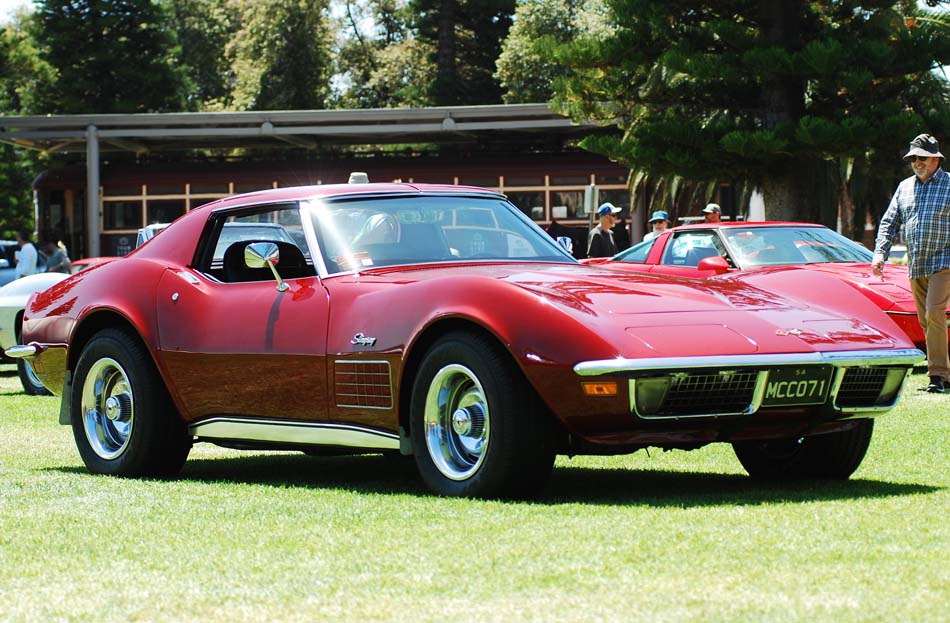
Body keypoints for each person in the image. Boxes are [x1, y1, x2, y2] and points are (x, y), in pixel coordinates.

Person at [872, 133, 950, 394]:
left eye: (922, 158)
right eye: (913, 158)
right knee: (926, 321)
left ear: (936, 160)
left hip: (944, 261)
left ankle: (936, 376)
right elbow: (889, 222)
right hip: (916, 264)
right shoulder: (904, 187)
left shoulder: (949, 185)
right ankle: (946, 373)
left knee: (934, 313)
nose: (917, 162)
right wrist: (879, 254)